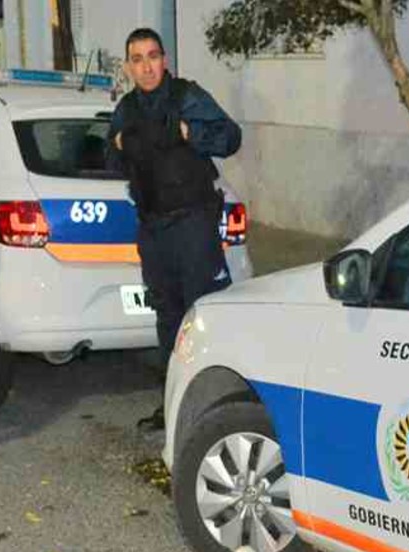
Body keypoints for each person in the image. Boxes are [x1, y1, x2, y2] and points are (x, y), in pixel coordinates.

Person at [109, 28, 241, 432]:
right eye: (137, 59)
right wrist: (119, 145)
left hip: (193, 226)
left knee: (203, 316)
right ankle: (173, 407)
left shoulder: (187, 96)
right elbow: (111, 161)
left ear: (164, 59)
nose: (146, 66)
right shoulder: (127, 109)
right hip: (154, 229)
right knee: (167, 321)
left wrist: (190, 133)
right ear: (129, 66)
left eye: (153, 56)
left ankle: (215, 410)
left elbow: (231, 137)